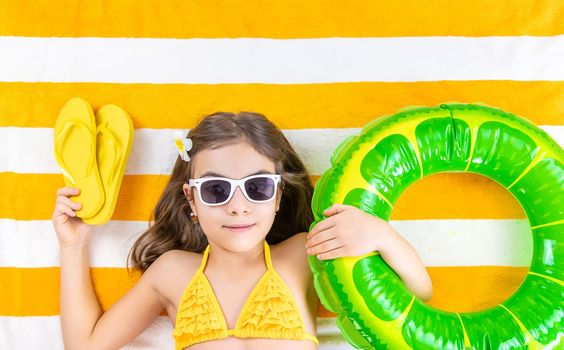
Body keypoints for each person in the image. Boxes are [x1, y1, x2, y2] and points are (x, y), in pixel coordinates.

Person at [53, 111, 432, 350]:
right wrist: (73, 247)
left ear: (279, 195)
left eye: (257, 187)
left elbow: (416, 297)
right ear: (191, 199)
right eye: (216, 190)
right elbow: (84, 345)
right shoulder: (172, 271)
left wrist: (382, 236)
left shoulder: (304, 253)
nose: (238, 205)